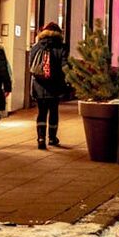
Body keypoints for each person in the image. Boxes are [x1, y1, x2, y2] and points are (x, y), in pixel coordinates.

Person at [29, 22, 68, 150]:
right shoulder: (61, 47)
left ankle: (41, 139)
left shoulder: (36, 47)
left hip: (39, 84)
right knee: (53, 112)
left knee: (41, 112)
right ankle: (52, 138)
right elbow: (65, 67)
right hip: (55, 85)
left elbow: (31, 66)